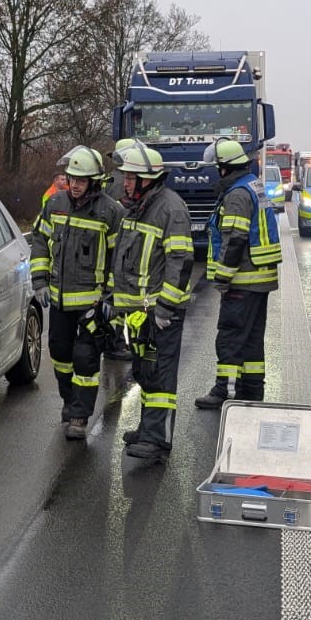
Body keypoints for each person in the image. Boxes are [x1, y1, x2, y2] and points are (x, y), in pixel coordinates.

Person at [29, 146, 124, 440]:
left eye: (81, 180)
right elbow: (40, 240)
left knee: (85, 359)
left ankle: (80, 416)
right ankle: (69, 402)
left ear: (93, 181)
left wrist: (109, 298)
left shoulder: (111, 212)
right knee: (60, 355)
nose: (75, 184)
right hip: (58, 301)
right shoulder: (55, 203)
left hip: (91, 303)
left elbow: (118, 259)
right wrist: (40, 280)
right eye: (71, 178)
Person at [108, 140, 194, 461]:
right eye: (126, 177)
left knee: (160, 373)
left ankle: (158, 440)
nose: (126, 182)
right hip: (137, 312)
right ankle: (147, 430)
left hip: (160, 312)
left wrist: (166, 308)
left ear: (150, 179)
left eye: (131, 177)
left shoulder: (170, 209)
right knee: (145, 372)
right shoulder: (136, 208)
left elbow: (181, 260)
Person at [195, 138, 281, 409]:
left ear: (225, 169)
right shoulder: (254, 186)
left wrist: (222, 277)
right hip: (259, 279)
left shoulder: (236, 195)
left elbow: (234, 239)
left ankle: (226, 392)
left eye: (217, 167)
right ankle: (252, 391)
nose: (215, 173)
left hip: (242, 279)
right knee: (252, 340)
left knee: (230, 337)